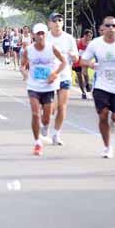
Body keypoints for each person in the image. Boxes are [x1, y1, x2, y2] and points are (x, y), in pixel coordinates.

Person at [81, 16, 115, 159]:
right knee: (103, 114)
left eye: (113, 25)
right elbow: (83, 60)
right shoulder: (95, 44)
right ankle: (107, 147)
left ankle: (113, 123)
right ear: (103, 28)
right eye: (108, 25)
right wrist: (91, 64)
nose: (111, 28)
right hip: (101, 84)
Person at [21, 23, 66, 156]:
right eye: (38, 34)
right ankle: (37, 143)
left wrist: (55, 73)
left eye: (42, 34)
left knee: (46, 119)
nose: (40, 36)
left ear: (46, 35)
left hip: (49, 86)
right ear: (33, 35)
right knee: (35, 114)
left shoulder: (52, 48)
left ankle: (44, 127)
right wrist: (24, 73)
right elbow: (22, 66)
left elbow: (64, 62)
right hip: (34, 86)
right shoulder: (28, 50)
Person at [45, 13, 79, 145]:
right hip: (50, 76)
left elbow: (76, 57)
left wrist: (73, 55)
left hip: (64, 75)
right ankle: (46, 124)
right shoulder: (45, 37)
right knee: (50, 107)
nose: (58, 23)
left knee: (62, 107)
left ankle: (56, 134)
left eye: (60, 20)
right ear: (49, 23)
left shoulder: (69, 38)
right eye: (54, 21)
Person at [72, 29, 93, 99]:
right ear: (85, 36)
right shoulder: (78, 41)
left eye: (91, 37)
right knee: (79, 77)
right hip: (77, 61)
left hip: (85, 61)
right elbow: (72, 49)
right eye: (89, 36)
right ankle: (83, 92)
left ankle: (87, 84)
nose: (90, 38)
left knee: (85, 73)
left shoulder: (91, 44)